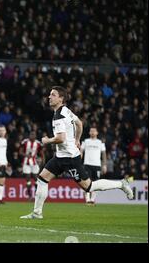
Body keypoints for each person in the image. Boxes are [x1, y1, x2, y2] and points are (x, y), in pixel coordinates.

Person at [20, 86, 134, 219]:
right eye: (50, 94)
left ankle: (121, 184)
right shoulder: (66, 111)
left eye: (53, 95)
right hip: (60, 157)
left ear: (61, 99)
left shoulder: (59, 116)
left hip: (70, 158)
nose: (49, 97)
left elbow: (60, 138)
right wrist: (77, 140)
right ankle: (37, 213)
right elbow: (79, 123)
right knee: (42, 179)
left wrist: (47, 141)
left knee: (89, 187)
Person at [81, 127, 107, 206]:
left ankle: (92, 199)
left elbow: (104, 154)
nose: (92, 132)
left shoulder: (100, 142)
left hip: (97, 165)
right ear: (89, 132)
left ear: (97, 133)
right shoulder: (86, 141)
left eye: (94, 131)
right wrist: (78, 161)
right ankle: (87, 199)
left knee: (96, 183)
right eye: (91, 131)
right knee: (87, 182)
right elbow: (81, 151)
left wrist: (104, 165)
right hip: (87, 164)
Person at [20, 131, 44, 200]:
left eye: (34, 135)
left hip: (34, 162)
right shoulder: (25, 142)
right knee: (28, 179)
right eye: (31, 134)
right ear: (29, 135)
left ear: (35, 136)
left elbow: (41, 153)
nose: (32, 136)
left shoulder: (38, 143)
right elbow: (20, 152)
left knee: (36, 179)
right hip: (26, 162)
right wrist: (25, 155)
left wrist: (43, 160)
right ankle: (30, 196)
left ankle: (37, 195)